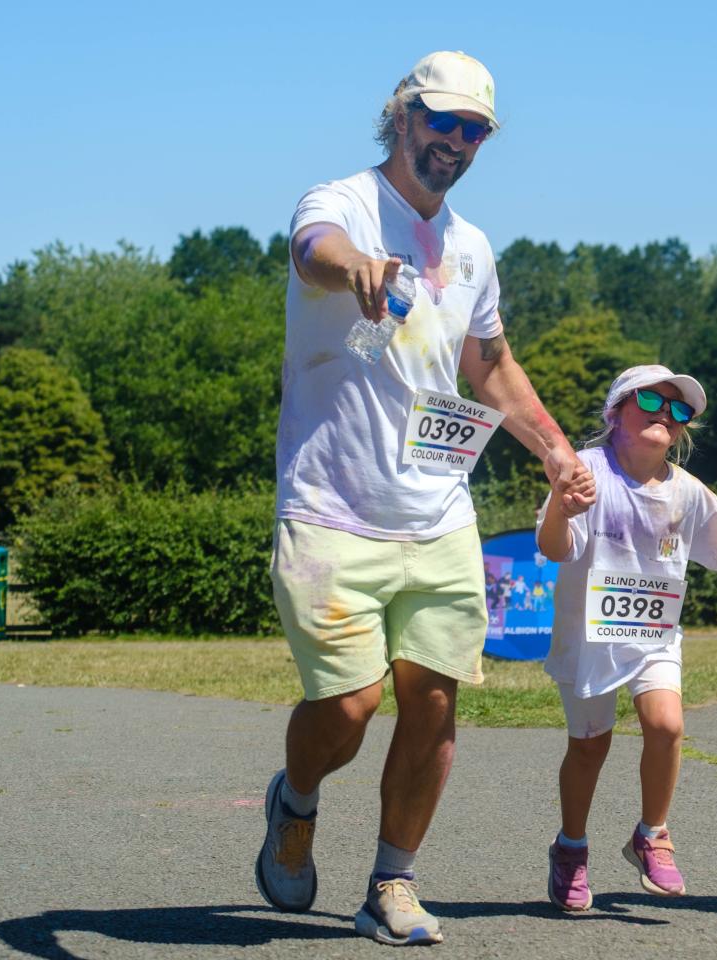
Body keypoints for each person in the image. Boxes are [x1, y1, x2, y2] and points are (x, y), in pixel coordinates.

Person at [258, 51, 595, 946]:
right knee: (349, 706)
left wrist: (557, 451)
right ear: (401, 116)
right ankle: (294, 800)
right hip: (332, 508)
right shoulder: (343, 203)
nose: (454, 140)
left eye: (473, 128)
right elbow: (310, 251)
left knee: (436, 703)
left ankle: (391, 883)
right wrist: (358, 268)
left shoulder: (474, 249)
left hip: (440, 512)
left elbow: (489, 368)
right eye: (439, 120)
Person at [537, 365, 717, 911]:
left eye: (680, 410)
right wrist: (562, 509)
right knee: (589, 748)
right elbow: (555, 547)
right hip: (589, 639)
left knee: (666, 725)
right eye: (652, 402)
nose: (667, 414)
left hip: (654, 637)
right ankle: (571, 848)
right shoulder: (587, 471)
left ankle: (652, 834)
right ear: (617, 411)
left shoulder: (687, 492)